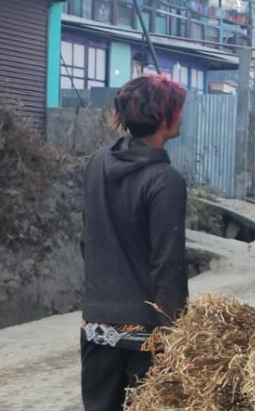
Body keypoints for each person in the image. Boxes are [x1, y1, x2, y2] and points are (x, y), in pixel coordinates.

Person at [80, 74, 189, 411]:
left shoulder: (97, 163)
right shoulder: (165, 181)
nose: (182, 115)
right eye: (179, 109)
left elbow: (87, 240)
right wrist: (178, 333)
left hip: (96, 324)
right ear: (164, 117)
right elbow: (168, 264)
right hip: (146, 330)